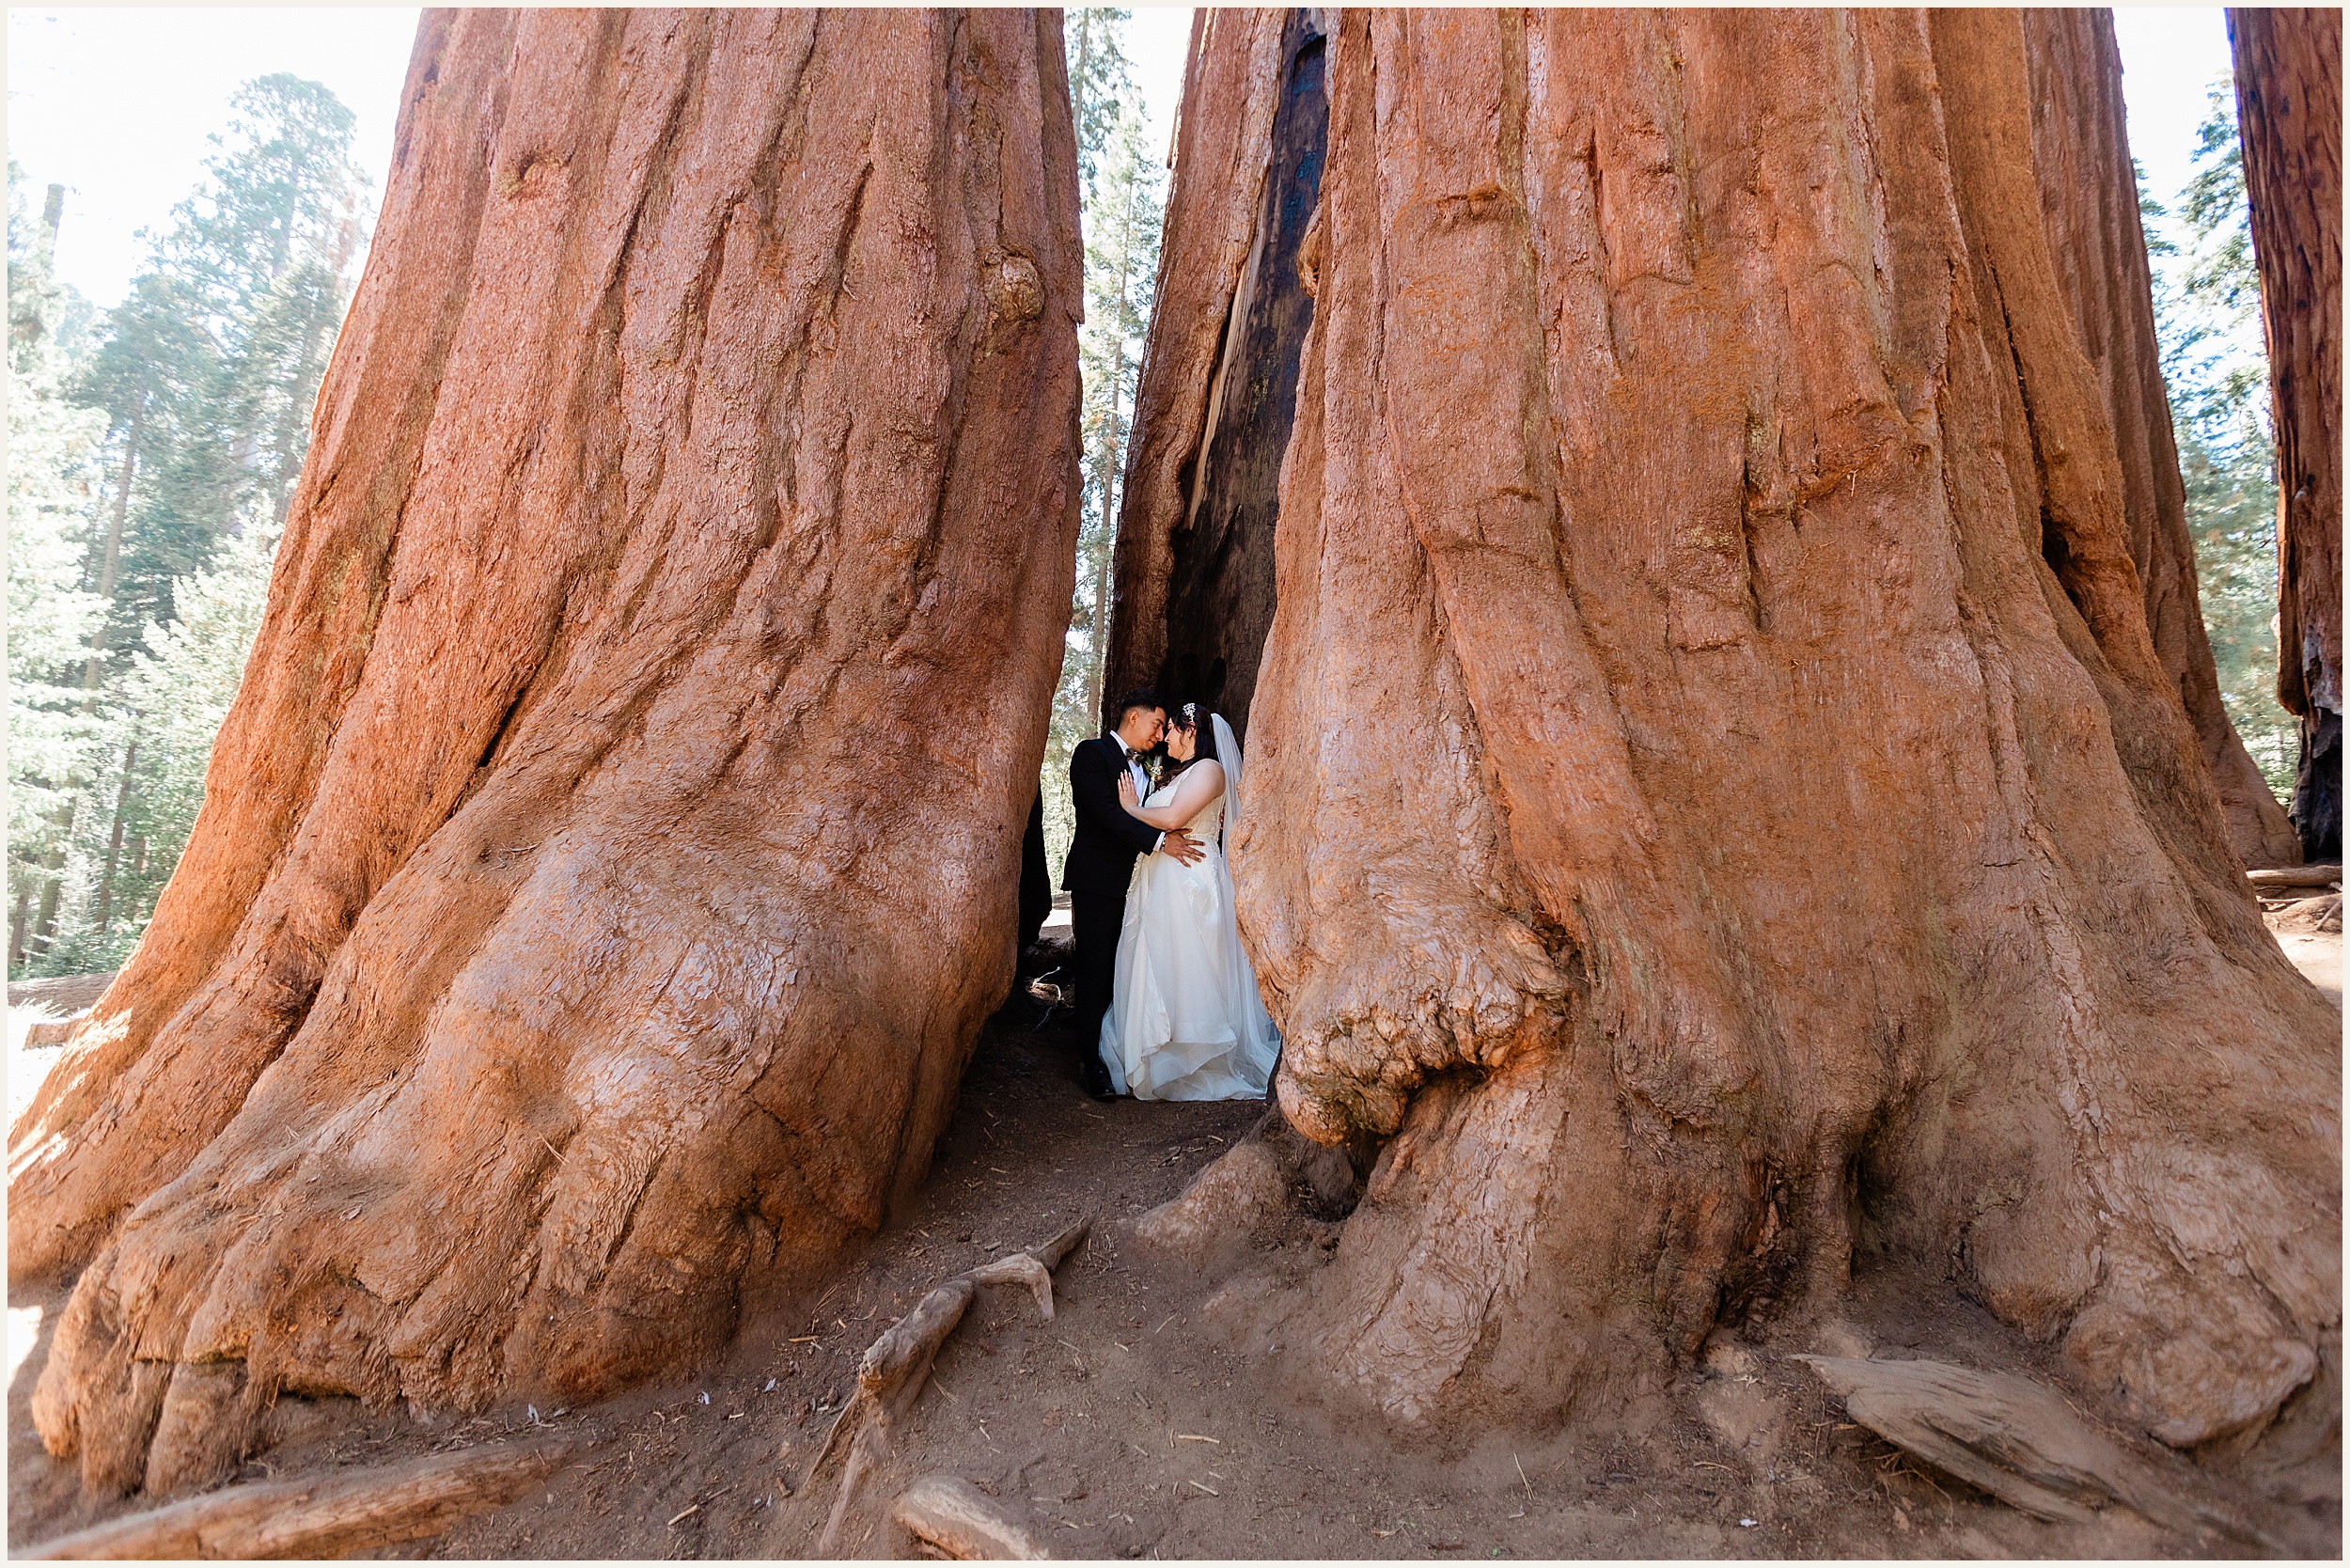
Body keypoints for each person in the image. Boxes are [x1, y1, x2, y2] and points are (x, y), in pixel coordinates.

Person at [1098, 704, 1280, 1100]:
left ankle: (1192, 1057)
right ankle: (1151, 1050)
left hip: (1188, 883)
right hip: (1160, 879)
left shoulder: (1211, 770)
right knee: (1154, 961)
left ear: (1191, 730)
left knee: (1185, 966)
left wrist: (1130, 809)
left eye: (1173, 730)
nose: (1165, 737)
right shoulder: (1184, 772)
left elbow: (1173, 817)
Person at [1063, 689, 1201, 1098]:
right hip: (1099, 881)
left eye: (1165, 728)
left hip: (1141, 886)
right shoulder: (1090, 755)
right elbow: (1105, 813)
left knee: (1127, 969)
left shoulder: (1157, 766)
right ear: (1134, 718)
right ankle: (1092, 1063)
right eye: (1157, 724)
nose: (1161, 735)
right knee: (1095, 968)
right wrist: (1159, 841)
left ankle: (1119, 1050)